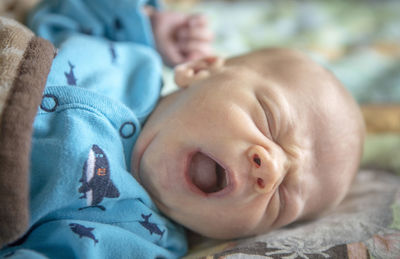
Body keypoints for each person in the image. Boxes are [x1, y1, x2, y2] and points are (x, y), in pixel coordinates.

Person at [0, 0, 364, 258]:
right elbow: (53, 18)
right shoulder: (132, 56)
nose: (270, 169)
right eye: (269, 120)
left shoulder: (140, 242)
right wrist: (145, 23)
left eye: (283, 200)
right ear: (200, 69)